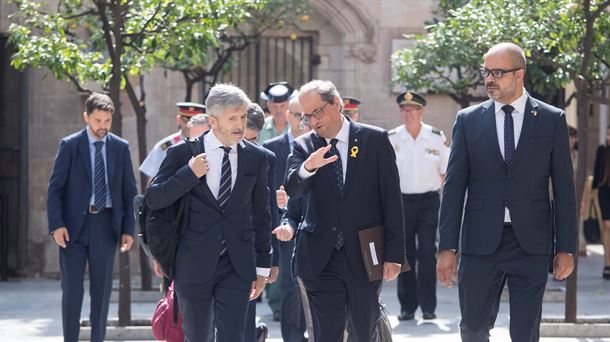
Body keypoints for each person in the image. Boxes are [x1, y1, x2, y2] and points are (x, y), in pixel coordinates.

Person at [437, 42, 576, 342]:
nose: (489, 79)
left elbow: (564, 189)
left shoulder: (552, 120)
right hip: (479, 243)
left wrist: (566, 246)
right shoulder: (468, 120)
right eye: (486, 71)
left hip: (531, 242)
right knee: (473, 328)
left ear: (519, 75)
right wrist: (446, 246)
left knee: (525, 333)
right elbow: (453, 187)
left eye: (497, 72)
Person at [146, 84, 272, 341]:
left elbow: (262, 214)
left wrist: (262, 267)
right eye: (233, 118)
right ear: (213, 121)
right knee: (198, 337)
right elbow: (154, 199)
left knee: (232, 337)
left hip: (237, 266)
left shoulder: (256, 157)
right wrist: (188, 174)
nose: (240, 124)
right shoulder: (183, 153)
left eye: (243, 117)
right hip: (192, 265)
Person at [284, 80, 405, 341]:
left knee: (363, 330)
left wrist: (395, 255)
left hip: (365, 254)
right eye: (306, 117)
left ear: (337, 104)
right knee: (327, 334)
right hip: (320, 258)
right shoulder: (304, 146)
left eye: (317, 112)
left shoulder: (374, 140)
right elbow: (292, 188)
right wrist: (308, 167)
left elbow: (392, 200)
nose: (313, 122)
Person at [47, 93, 137, 342]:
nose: (103, 126)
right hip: (73, 228)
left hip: (106, 226)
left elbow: (130, 192)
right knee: (72, 291)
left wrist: (129, 229)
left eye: (107, 120)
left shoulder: (120, 147)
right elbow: (55, 189)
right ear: (86, 117)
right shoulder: (70, 145)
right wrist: (57, 225)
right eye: (98, 120)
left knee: (102, 291)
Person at [388, 91, 449, 321]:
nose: (408, 114)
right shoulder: (392, 138)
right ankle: (407, 306)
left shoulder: (435, 136)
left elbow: (445, 172)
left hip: (428, 202)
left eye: (412, 109)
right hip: (401, 202)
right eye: (404, 110)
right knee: (404, 255)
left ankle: (428, 306)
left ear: (420, 112)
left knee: (426, 252)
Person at [264, 95, 311, 341]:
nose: (303, 121)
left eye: (307, 115)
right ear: (287, 116)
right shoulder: (272, 148)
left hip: (316, 224)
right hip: (286, 225)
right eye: (297, 115)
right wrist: (277, 201)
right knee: (290, 285)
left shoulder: (321, 144)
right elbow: (262, 191)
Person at [242, 102, 279, 342]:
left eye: (254, 139)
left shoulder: (264, 158)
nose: (248, 144)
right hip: (213, 246)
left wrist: (271, 261)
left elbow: (270, 209)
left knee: (246, 314)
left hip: (251, 245)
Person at [139, 102, 207, 183]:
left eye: (196, 121)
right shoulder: (165, 146)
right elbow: (153, 179)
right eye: (186, 120)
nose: (190, 124)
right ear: (178, 120)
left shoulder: (208, 143)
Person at [592, 125, 610, 279]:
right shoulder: (602, 150)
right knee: (606, 226)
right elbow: (596, 170)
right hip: (604, 192)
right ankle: (607, 263)